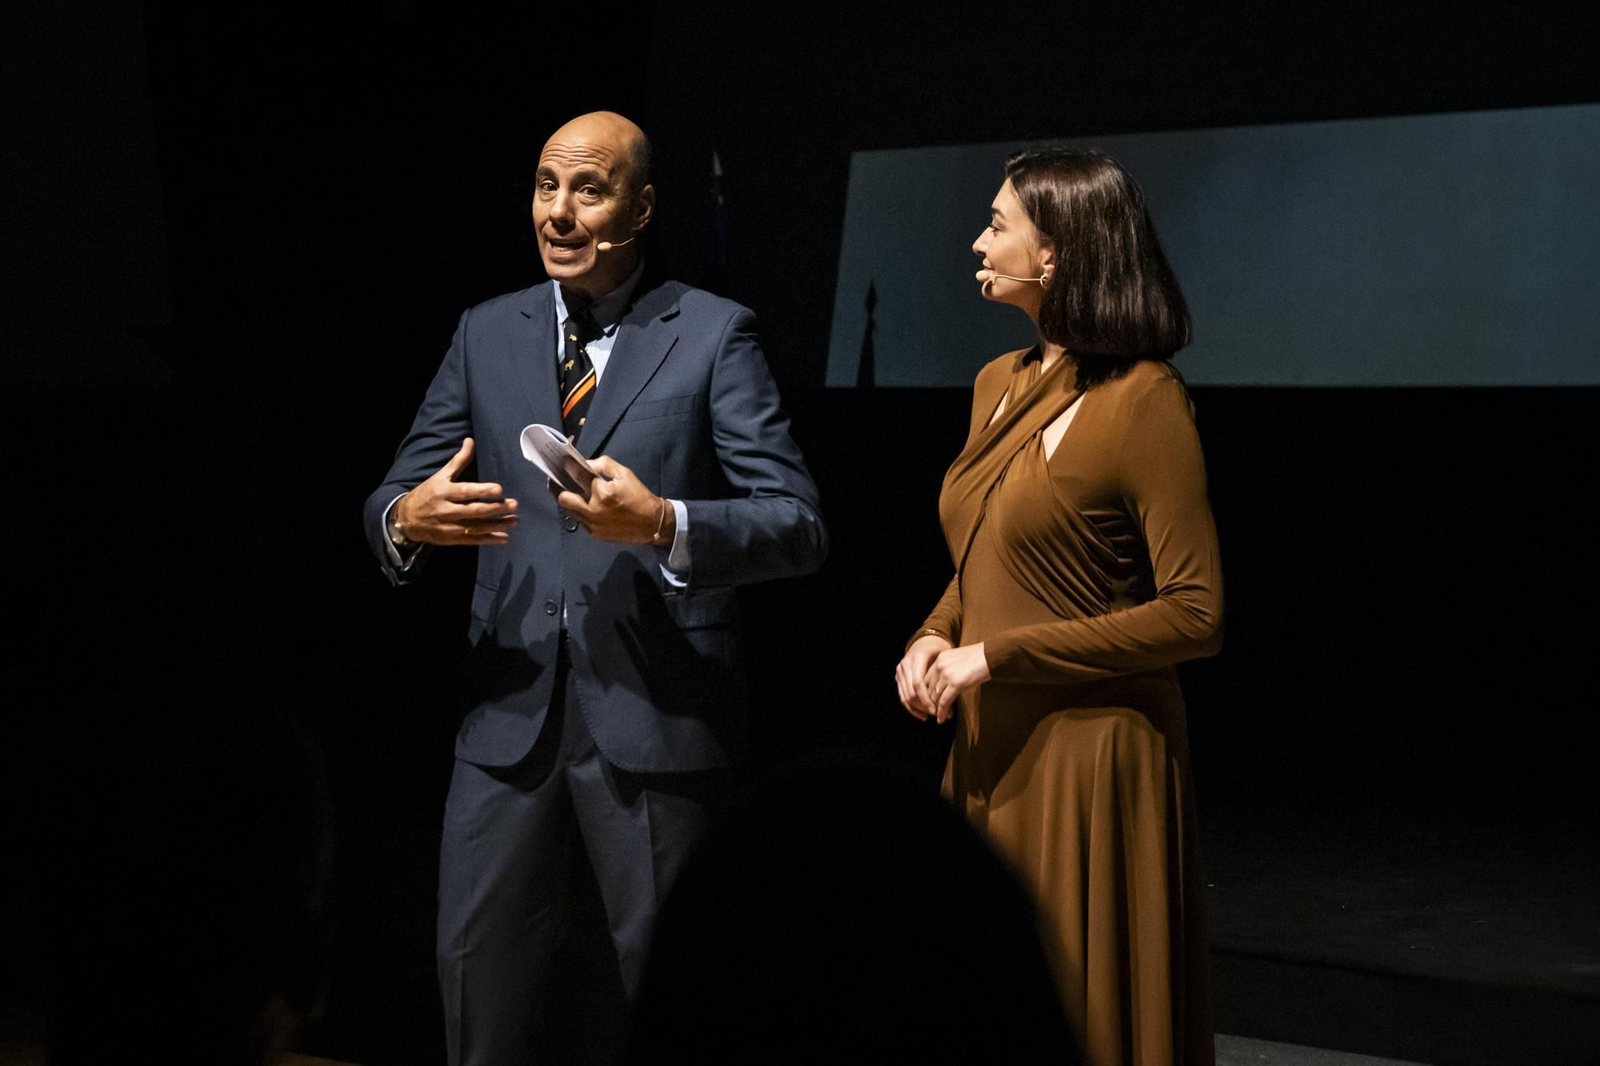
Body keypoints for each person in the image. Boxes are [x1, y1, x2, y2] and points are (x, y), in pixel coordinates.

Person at [362, 111, 827, 1066]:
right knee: (471, 978)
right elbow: (392, 494)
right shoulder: (487, 332)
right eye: (545, 186)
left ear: (643, 206)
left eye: (589, 189)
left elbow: (798, 523)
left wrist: (665, 523)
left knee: (674, 999)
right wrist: (406, 521)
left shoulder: (711, 333)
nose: (560, 213)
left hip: (656, 711)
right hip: (507, 717)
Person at [893, 146, 1222, 1066]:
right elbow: (988, 558)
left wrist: (994, 657)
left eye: (998, 224)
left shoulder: (1144, 399)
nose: (977, 240)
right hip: (990, 749)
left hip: (1093, 760)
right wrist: (935, 634)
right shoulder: (996, 384)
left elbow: (1196, 612)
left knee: (1084, 1012)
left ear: (1059, 255)